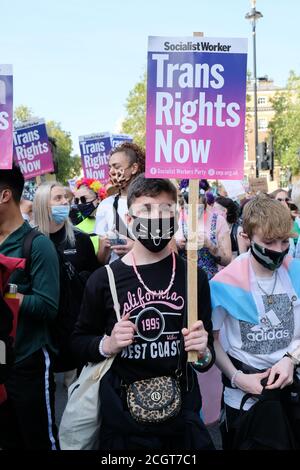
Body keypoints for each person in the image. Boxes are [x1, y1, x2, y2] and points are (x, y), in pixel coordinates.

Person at [72, 175, 215, 450]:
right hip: (124, 424)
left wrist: (204, 350)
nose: (157, 217)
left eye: (166, 210)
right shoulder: (104, 279)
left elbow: (206, 358)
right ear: (129, 217)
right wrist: (108, 344)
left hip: (181, 421)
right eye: (147, 209)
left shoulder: (194, 276)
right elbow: (78, 342)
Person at [210, 194, 300, 449]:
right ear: (246, 236)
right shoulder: (223, 283)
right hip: (244, 400)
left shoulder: (296, 271)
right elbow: (212, 341)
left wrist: (291, 359)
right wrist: (238, 377)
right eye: (269, 242)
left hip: (292, 394)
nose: (279, 250)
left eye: (285, 241)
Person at [0, 165, 60, 450]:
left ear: (5, 196)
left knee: (37, 441)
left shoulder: (37, 246)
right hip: (0, 362)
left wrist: (7, 294)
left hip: (28, 362)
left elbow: (48, 307)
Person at [33, 181, 99, 374]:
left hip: (76, 327)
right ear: (43, 204)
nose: (65, 203)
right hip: (44, 330)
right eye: (58, 198)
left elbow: (93, 282)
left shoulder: (80, 239)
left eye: (65, 198)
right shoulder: (31, 242)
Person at [95, 142, 145, 265]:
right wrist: (104, 246)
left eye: (116, 167)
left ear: (134, 168)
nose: (111, 171)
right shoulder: (105, 205)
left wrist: (135, 248)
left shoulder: (154, 202)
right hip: (118, 277)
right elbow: (101, 261)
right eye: (110, 167)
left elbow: (169, 252)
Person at [70, 178, 107, 254]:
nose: (80, 204)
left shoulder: (112, 220)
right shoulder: (77, 229)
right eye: (77, 201)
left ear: (98, 199)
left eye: (84, 199)